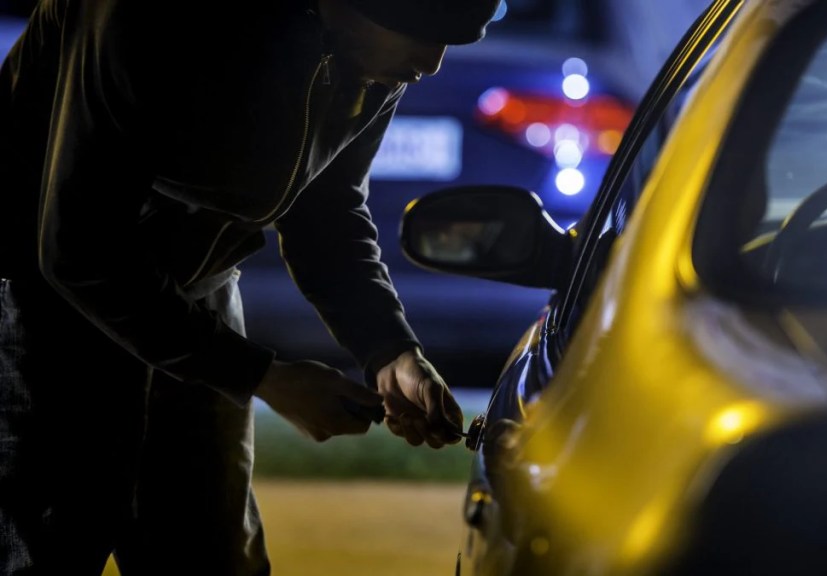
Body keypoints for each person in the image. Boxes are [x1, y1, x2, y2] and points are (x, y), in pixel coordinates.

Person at [0, 0, 501, 573]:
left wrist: (390, 351)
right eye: (421, 31)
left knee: (214, 555)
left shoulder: (374, 60)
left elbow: (327, 211)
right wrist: (261, 377)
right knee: (47, 546)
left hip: (200, 296)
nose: (432, 63)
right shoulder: (145, 17)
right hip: (42, 308)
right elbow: (80, 246)